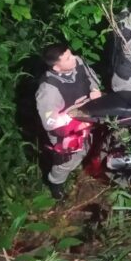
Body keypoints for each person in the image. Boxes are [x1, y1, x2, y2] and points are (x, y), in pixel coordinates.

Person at [35, 43, 102, 200]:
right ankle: (55, 183)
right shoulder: (48, 90)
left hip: (87, 116)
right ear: (57, 67)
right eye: (67, 58)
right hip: (65, 129)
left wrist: (94, 90)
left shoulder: (77, 61)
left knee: (88, 146)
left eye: (71, 54)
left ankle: (85, 166)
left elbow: (91, 78)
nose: (74, 59)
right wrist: (74, 115)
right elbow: (50, 122)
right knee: (67, 160)